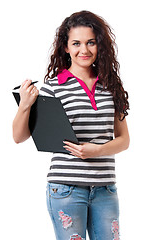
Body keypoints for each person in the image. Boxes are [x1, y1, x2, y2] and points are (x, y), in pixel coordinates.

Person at [13, 10, 130, 240]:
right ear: (65, 47)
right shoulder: (53, 88)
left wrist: (96, 151)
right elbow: (19, 137)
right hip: (66, 188)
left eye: (91, 43)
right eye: (76, 43)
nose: (84, 50)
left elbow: (124, 139)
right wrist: (25, 105)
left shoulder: (111, 86)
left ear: (100, 46)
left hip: (105, 188)